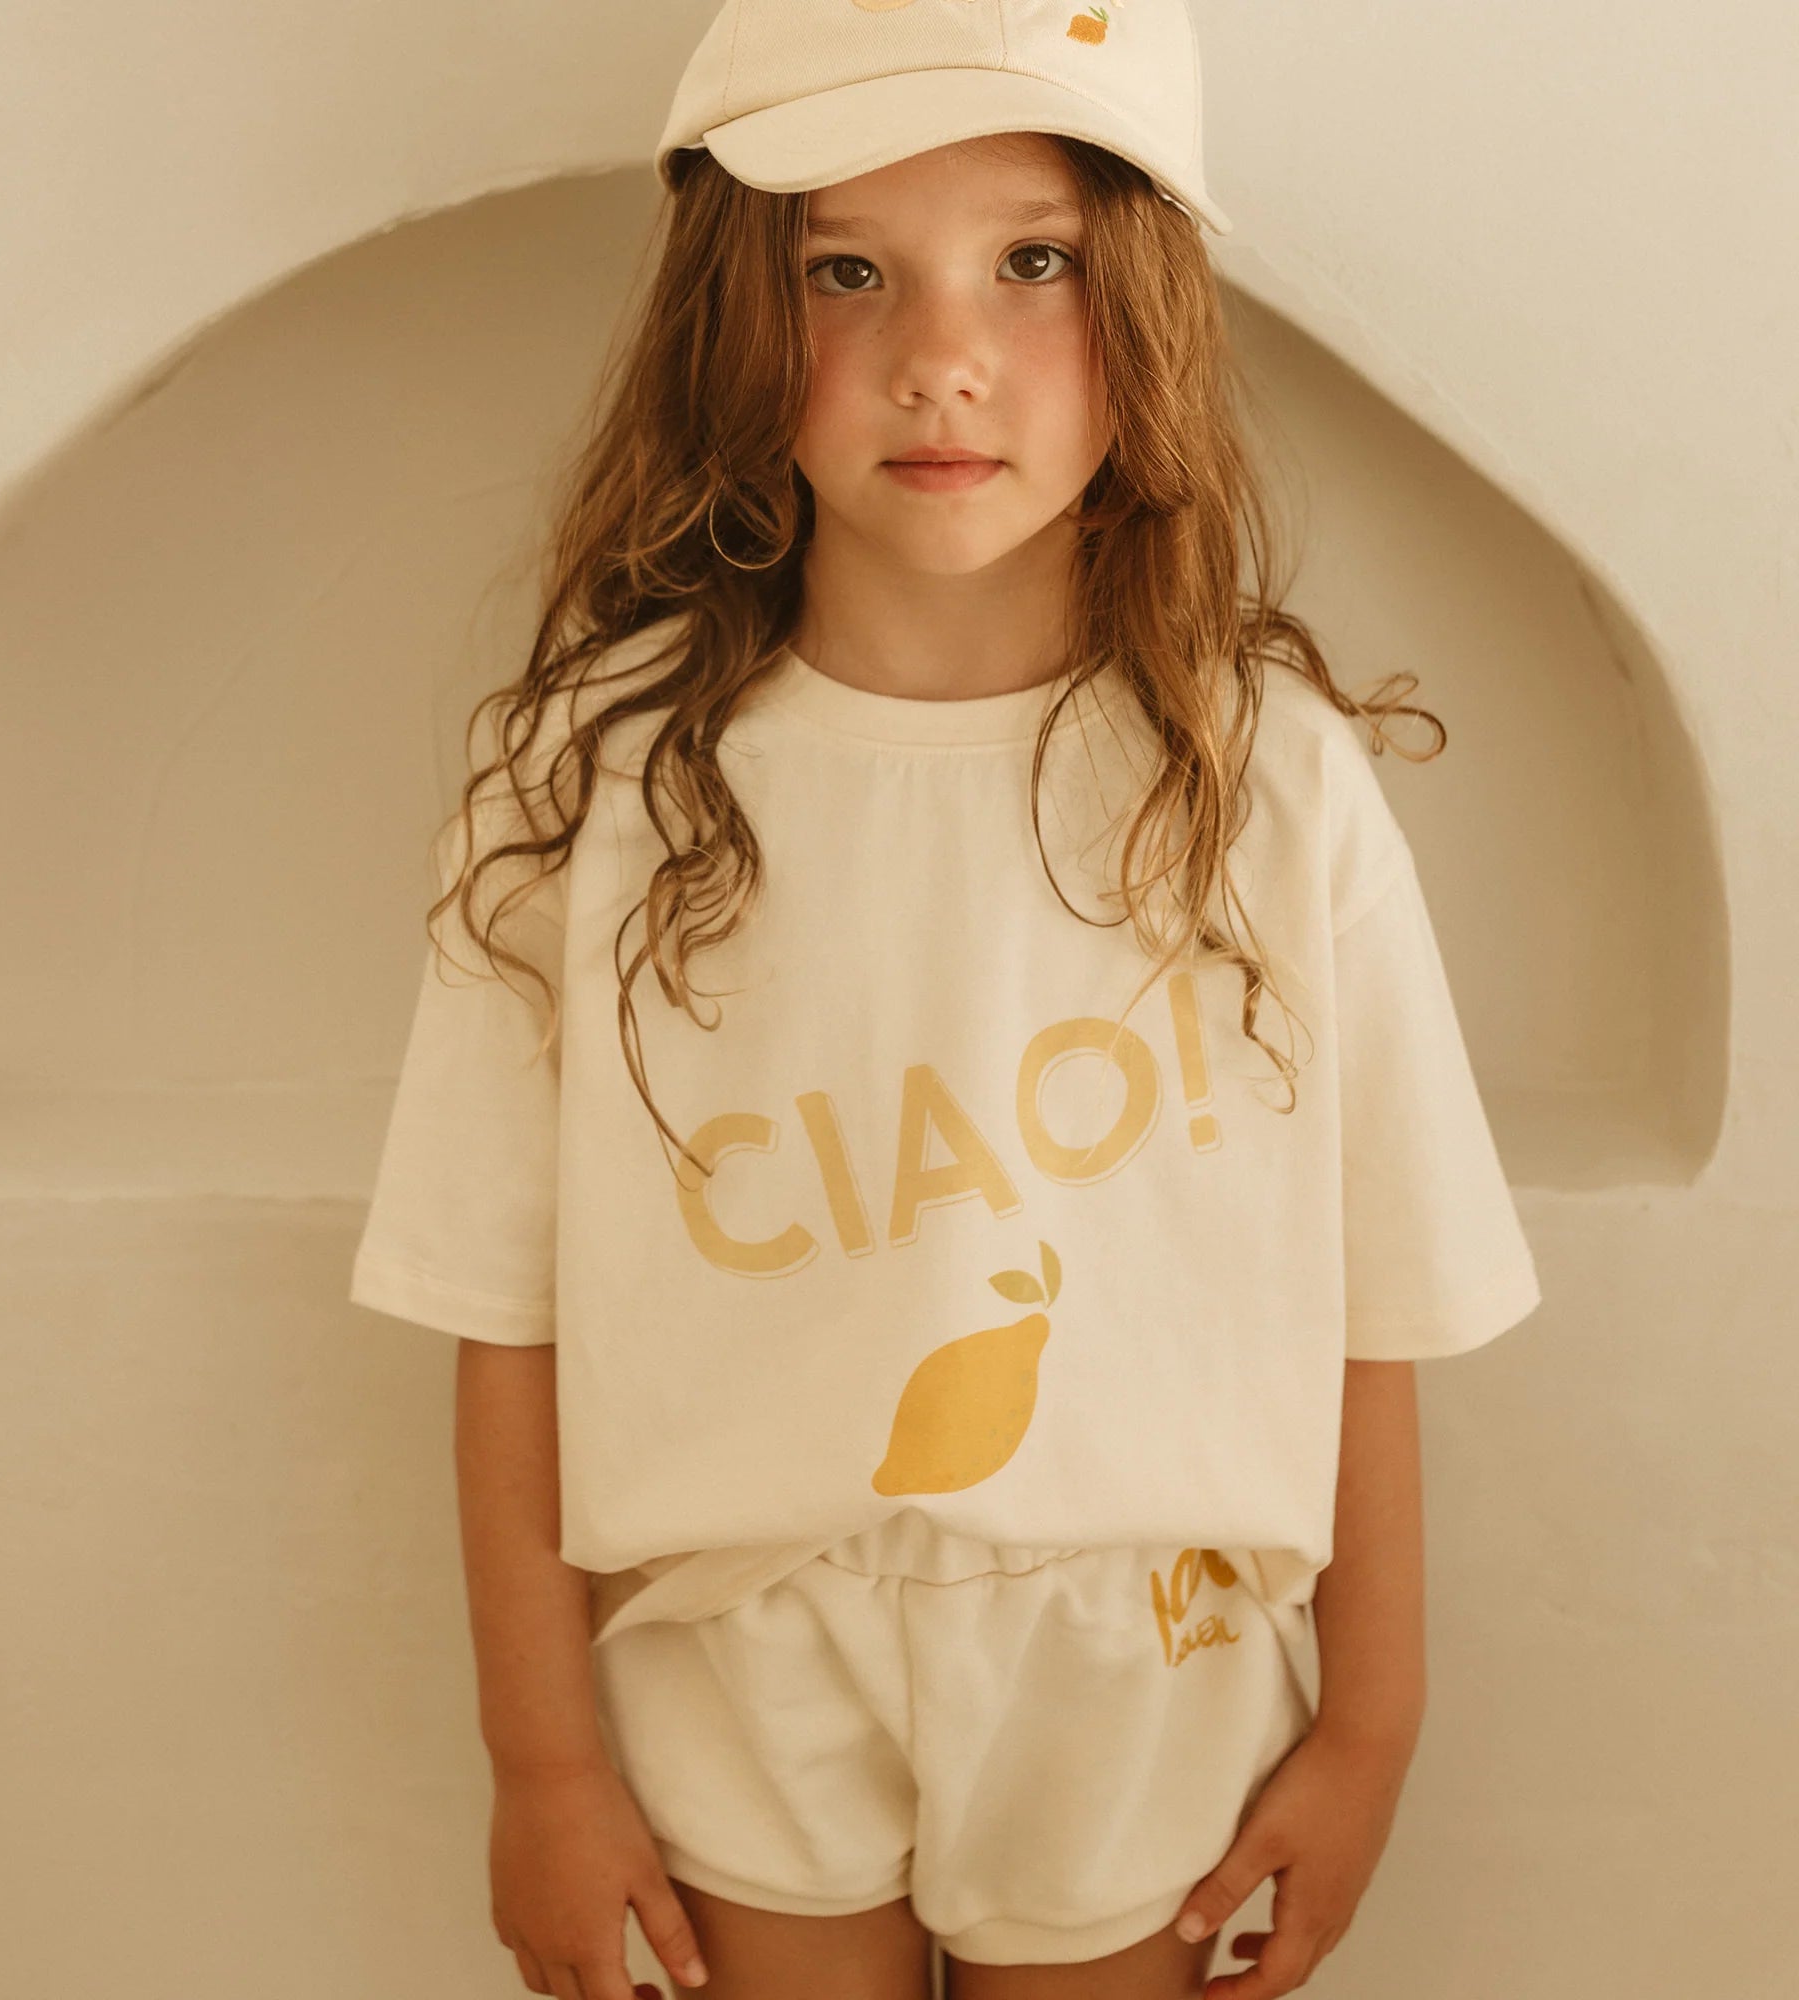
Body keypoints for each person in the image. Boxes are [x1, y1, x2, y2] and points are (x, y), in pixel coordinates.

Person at [348, 2, 1543, 1996]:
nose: (942, 357)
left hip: (1140, 1658)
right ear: (734, 313)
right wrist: (538, 1756)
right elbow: (504, 1309)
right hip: (738, 1647)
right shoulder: (590, 787)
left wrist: (1371, 1721)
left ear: (1142, 296)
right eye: (845, 269)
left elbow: (1371, 1301)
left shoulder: (1264, 781)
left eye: (1033, 261)